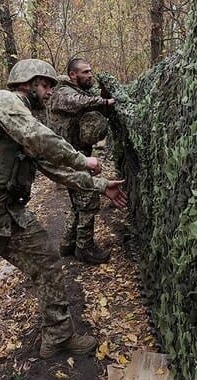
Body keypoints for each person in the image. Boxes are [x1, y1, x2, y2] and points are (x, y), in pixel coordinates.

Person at [0, 58, 128, 380]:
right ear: (28, 82)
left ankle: (58, 335)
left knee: (48, 263)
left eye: (52, 85)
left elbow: (51, 165)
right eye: (47, 85)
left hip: (7, 213)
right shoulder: (4, 103)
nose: (51, 92)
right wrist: (83, 159)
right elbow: (40, 140)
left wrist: (100, 185)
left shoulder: (24, 116)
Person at [47, 58, 117, 264]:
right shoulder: (62, 93)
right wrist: (104, 102)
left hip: (77, 155)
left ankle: (68, 244)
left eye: (90, 71)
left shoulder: (81, 91)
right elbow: (77, 102)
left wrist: (103, 97)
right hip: (68, 157)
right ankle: (85, 248)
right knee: (87, 198)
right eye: (85, 72)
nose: (90, 75)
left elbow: (88, 101)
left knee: (78, 202)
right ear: (72, 75)